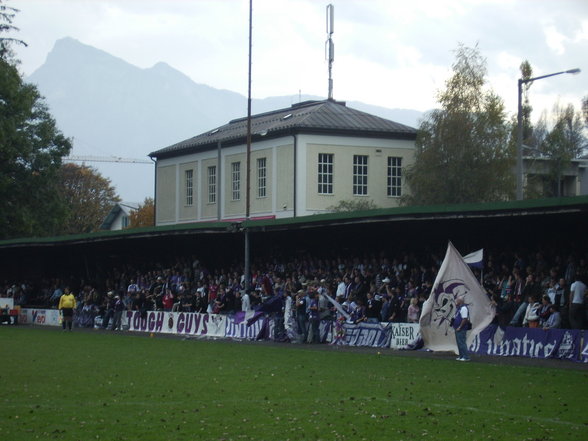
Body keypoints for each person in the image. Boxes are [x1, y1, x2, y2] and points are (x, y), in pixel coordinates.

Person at [452, 296, 471, 362]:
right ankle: (461, 356)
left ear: (460, 301)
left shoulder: (463, 308)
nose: (456, 302)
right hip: (457, 327)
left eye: (457, 300)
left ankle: (466, 356)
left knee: (462, 342)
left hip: (461, 328)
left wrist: (460, 327)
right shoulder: (459, 308)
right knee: (459, 342)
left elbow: (464, 319)